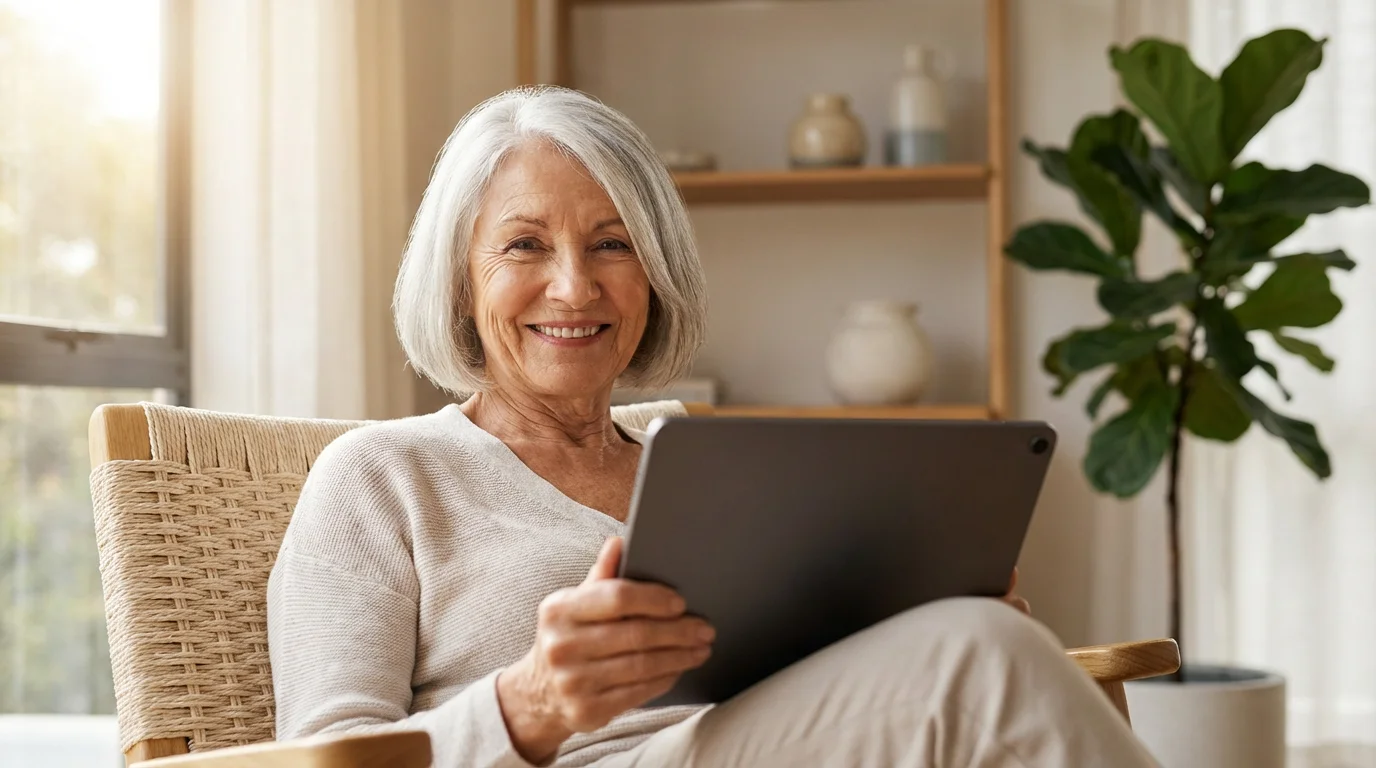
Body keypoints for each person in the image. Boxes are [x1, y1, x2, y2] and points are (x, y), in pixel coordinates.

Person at [266, 86, 1158, 768]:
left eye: (611, 245)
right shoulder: (382, 476)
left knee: (985, 646)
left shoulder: (702, 460)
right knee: (987, 659)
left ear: (653, 274)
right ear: (461, 282)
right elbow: (326, 762)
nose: (574, 287)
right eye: (525, 245)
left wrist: (909, 629)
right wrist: (531, 704)